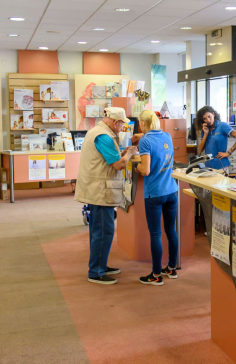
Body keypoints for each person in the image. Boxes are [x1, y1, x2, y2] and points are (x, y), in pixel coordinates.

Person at [75, 107, 138, 285]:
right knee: (104, 231)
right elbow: (118, 165)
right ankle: (96, 272)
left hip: (97, 189)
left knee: (99, 230)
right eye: (121, 125)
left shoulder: (97, 132)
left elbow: (109, 158)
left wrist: (124, 152)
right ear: (115, 122)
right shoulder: (104, 137)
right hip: (100, 191)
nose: (122, 128)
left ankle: (100, 264)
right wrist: (130, 154)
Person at [134, 110, 179, 286]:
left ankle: (156, 275)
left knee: (155, 234)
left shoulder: (145, 141)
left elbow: (145, 170)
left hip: (154, 193)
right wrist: (140, 135)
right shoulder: (166, 135)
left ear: (143, 124)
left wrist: (136, 166)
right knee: (171, 231)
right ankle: (172, 268)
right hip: (171, 191)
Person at [195, 106, 236, 172]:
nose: (208, 120)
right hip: (208, 166)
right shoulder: (205, 129)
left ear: (213, 114)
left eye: (209, 116)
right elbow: (201, 149)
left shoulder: (222, 125)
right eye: (205, 119)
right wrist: (205, 134)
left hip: (221, 165)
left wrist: (228, 153)